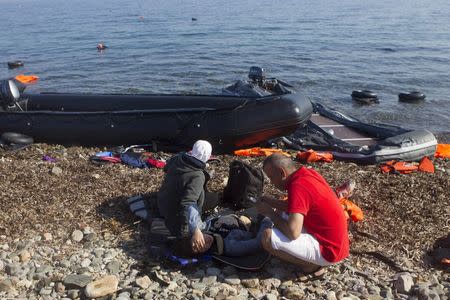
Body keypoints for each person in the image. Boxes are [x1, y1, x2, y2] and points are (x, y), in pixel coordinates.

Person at [256, 153, 350, 280]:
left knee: (267, 237)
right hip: (337, 243)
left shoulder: (298, 187)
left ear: (282, 173)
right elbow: (293, 205)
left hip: (329, 251)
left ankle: (311, 266)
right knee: (281, 213)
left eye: (272, 177)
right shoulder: (307, 174)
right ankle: (308, 257)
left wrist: (269, 213)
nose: (272, 182)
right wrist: (268, 201)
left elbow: (293, 233)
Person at [157, 140, 219, 254]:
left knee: (208, 197)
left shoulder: (178, 158)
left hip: (163, 203)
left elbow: (165, 168)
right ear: (208, 156)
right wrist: (195, 229)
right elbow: (188, 202)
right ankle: (200, 225)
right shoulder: (198, 175)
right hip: (177, 217)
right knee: (215, 198)